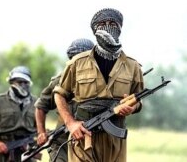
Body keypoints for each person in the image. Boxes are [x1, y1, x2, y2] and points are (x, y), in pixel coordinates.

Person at [53, 8, 144, 162]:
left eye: (112, 23)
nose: (107, 27)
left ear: (120, 28)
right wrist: (71, 123)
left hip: (115, 138)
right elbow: (60, 94)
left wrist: (132, 107)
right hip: (84, 135)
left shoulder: (132, 65)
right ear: (95, 29)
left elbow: (139, 99)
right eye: (102, 24)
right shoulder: (77, 62)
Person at [35, 38, 94, 162]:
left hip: (89, 140)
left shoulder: (100, 81)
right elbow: (41, 106)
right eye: (74, 57)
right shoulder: (60, 80)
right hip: (61, 140)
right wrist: (41, 132)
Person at [0, 66, 39, 162]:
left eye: (26, 82)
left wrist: (38, 143)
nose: (23, 85)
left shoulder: (37, 103)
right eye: (19, 82)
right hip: (4, 150)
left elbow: (40, 128)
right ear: (11, 82)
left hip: (27, 151)